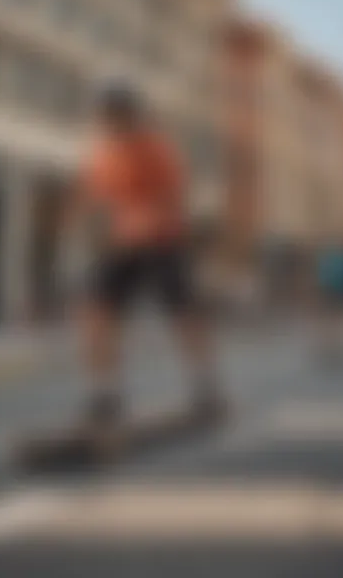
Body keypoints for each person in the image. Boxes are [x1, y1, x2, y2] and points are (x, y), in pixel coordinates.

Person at [70, 82, 226, 430]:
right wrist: (91, 232)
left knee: (184, 311)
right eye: (105, 116)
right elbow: (95, 200)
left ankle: (204, 383)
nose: (110, 122)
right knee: (96, 312)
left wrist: (145, 224)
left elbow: (173, 197)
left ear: (132, 115)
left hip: (163, 242)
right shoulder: (101, 153)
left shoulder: (157, 148)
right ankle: (104, 393)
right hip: (120, 245)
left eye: (117, 115)